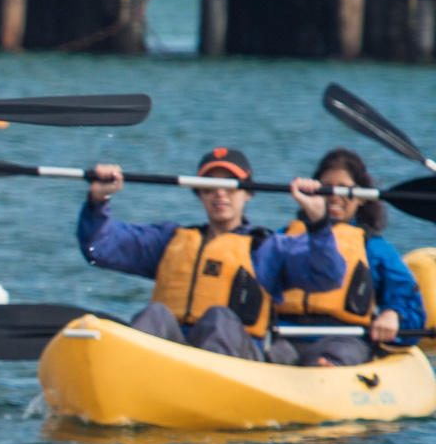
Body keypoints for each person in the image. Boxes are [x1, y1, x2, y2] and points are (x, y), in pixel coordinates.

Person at [78, 146, 342, 362]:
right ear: (199, 193)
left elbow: (329, 275)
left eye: (230, 185)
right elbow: (99, 248)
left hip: (238, 362)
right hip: (174, 355)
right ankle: (128, 374)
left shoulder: (269, 248)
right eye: (210, 185)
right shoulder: (170, 240)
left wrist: (318, 222)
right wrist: (98, 201)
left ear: (248, 192)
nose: (219, 193)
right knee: (155, 314)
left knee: (220, 318)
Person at [274, 147, 426, 366]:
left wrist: (393, 315)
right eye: (327, 188)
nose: (335, 196)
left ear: (362, 197)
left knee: (333, 357)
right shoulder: (285, 238)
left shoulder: (375, 249)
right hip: (285, 336)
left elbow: (409, 306)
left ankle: (325, 373)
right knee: (275, 354)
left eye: (344, 189)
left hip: (346, 340)